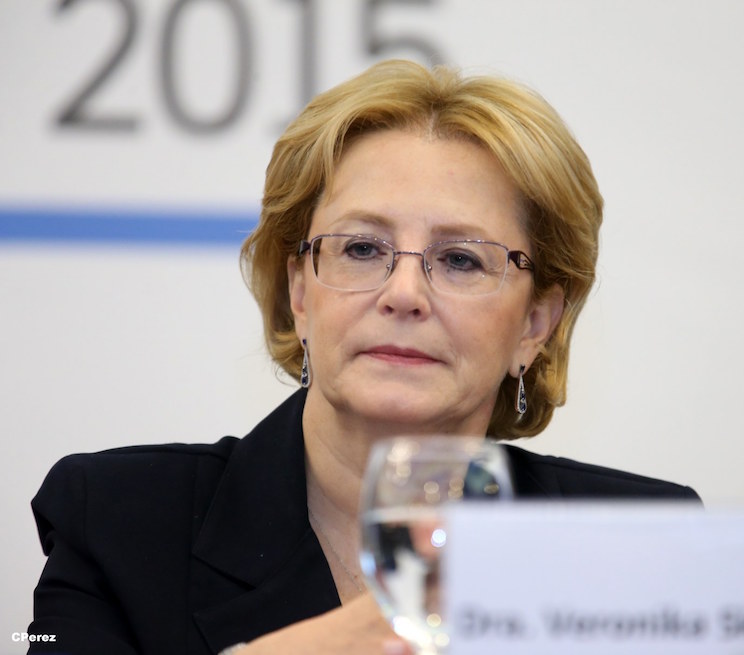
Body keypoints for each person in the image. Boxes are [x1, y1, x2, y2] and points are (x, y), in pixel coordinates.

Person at [27, 59, 699, 655]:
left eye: (461, 259)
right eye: (361, 248)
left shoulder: (639, 548)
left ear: (534, 324)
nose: (403, 294)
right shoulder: (117, 521)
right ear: (299, 292)